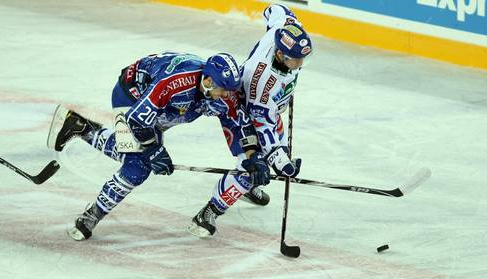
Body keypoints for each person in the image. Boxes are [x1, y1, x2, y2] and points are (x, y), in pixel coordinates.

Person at [47, 51, 270, 241]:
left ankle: (81, 128)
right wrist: (154, 150)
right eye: (223, 90)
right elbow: (136, 120)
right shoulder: (175, 83)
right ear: (208, 81)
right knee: (137, 166)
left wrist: (252, 157)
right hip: (131, 96)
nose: (227, 96)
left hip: (166, 110)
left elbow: (238, 123)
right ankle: (92, 215)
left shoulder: (220, 91)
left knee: (133, 153)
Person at [188, 4, 312, 237]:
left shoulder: (287, 29)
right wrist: (280, 161)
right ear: (279, 55)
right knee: (251, 167)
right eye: (294, 60)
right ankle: (209, 212)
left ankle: (248, 187)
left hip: (270, 109)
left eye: (302, 58)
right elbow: (262, 124)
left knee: (275, 149)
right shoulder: (262, 82)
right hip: (243, 111)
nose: (300, 64)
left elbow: (275, 9)